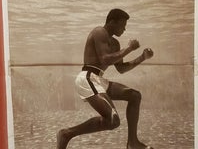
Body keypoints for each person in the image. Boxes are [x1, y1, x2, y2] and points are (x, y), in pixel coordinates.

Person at [57, 9, 154, 149]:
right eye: (122, 24)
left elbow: (121, 69)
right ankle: (66, 134)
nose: (125, 29)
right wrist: (129, 49)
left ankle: (132, 143)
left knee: (134, 96)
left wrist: (142, 57)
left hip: (98, 79)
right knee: (113, 121)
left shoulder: (115, 43)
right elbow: (105, 59)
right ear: (112, 22)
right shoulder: (99, 32)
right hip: (87, 78)